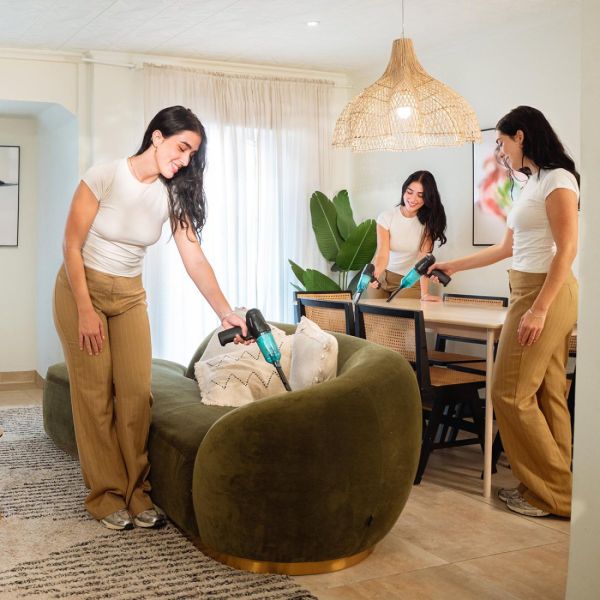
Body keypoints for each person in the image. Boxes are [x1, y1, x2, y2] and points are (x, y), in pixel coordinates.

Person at [53, 106, 248, 530]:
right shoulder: (105, 176)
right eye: (182, 148)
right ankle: (106, 495)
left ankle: (137, 492)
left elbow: (194, 258)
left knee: (136, 395)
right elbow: (70, 245)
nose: (185, 160)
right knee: (94, 395)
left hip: (128, 297)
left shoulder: (171, 194)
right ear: (157, 137)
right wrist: (84, 310)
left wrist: (225, 312)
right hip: (80, 290)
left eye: (192, 154)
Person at [431, 105, 579, 518]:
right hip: (526, 287)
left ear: (521, 136)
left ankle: (556, 494)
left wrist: (539, 309)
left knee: (508, 394)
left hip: (546, 292)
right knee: (548, 392)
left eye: (501, 141)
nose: (499, 150)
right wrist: (453, 265)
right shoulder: (528, 184)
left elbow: (567, 249)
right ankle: (552, 491)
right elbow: (506, 249)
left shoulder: (558, 179)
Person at [364, 170, 447, 301]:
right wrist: (375, 274)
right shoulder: (386, 217)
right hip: (382, 276)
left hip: (409, 281)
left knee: (397, 313)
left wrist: (424, 294)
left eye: (420, 195)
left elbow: (422, 261)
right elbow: (382, 254)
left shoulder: (427, 224)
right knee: (373, 313)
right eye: (409, 192)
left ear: (427, 198)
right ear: (404, 191)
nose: (413, 199)